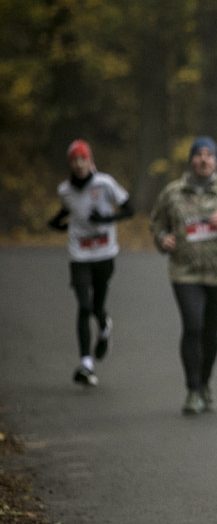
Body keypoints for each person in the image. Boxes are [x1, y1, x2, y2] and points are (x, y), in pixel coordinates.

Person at [149, 136, 217, 415]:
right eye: (198, 154)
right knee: (193, 326)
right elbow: (156, 224)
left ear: (216, 162)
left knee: (210, 333)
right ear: (190, 161)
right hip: (184, 273)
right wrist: (162, 240)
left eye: (209, 155)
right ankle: (192, 390)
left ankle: (206, 383)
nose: (203, 159)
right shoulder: (172, 193)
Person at [48, 140, 134, 387]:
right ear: (70, 164)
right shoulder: (65, 190)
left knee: (97, 304)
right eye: (74, 160)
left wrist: (107, 219)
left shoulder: (105, 184)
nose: (78, 164)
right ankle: (86, 363)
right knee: (83, 306)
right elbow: (67, 211)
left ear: (89, 161)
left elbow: (129, 209)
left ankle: (104, 325)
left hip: (105, 252)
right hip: (79, 254)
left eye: (82, 159)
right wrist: (56, 224)